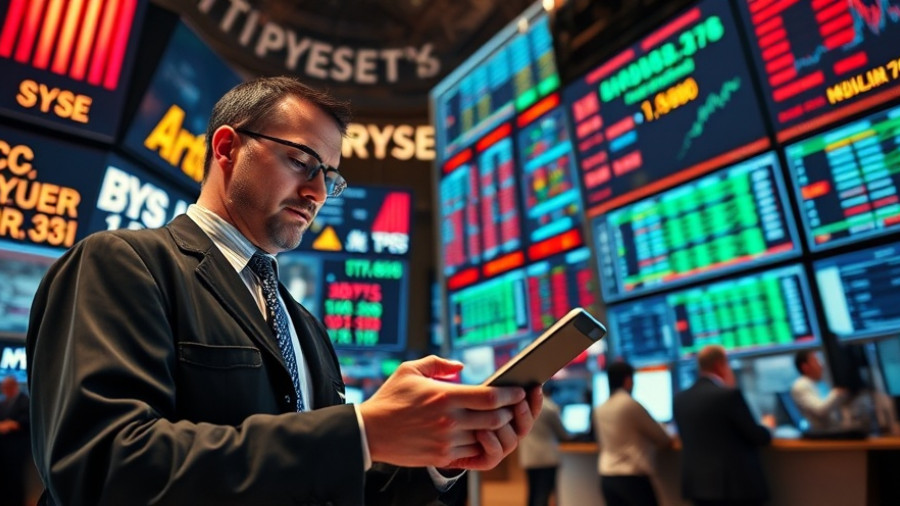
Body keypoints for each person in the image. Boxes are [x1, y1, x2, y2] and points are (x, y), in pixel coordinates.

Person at [26, 76, 542, 506]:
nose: (317, 192)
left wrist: (435, 461)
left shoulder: (305, 326)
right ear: (227, 147)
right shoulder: (123, 262)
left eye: (329, 177)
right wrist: (361, 432)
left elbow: (324, 486)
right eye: (300, 160)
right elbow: (101, 467)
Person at [673, 345, 771, 506]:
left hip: (699, 488)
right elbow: (757, 437)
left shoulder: (680, 399)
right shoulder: (728, 395)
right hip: (735, 489)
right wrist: (767, 427)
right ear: (720, 365)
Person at [593, 361, 673, 506]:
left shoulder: (600, 409)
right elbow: (662, 439)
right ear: (628, 381)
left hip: (607, 477)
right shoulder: (630, 404)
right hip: (632, 479)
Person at [518, 384, 571, 506]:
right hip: (546, 457)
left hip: (529, 456)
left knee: (532, 493)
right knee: (543, 494)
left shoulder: (523, 406)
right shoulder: (550, 407)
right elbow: (563, 434)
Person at [790, 349, 847, 432]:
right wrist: (837, 392)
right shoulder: (800, 385)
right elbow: (820, 410)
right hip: (824, 434)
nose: (821, 365)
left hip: (835, 430)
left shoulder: (818, 383)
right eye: (816, 361)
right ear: (805, 367)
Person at [0, 375, 30, 506]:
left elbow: (28, 422)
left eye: (7, 387)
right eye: (3, 387)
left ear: (14, 386)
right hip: (3, 449)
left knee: (16, 479)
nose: (4, 390)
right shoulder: (3, 403)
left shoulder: (25, 401)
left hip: (18, 448)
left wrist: (12, 424)